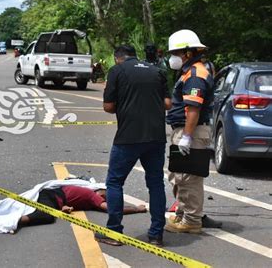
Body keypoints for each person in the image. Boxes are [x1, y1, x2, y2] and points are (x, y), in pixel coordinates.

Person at [97, 45, 172, 247]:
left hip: (128, 137)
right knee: (155, 183)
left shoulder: (117, 71)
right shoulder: (157, 71)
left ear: (117, 58)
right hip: (156, 137)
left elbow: (108, 106)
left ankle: (114, 233)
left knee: (114, 182)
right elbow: (167, 103)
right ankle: (156, 234)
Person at [165, 29, 220, 233]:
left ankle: (192, 220)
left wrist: (187, 137)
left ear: (187, 53)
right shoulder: (189, 72)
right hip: (185, 130)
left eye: (176, 54)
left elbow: (193, 110)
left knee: (189, 178)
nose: (173, 58)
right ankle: (182, 214)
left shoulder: (196, 75)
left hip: (192, 132)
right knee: (179, 176)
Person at [18, 186, 147, 229]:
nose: (105, 200)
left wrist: (63, 207)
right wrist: (137, 209)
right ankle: (15, 221)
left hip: (54, 197)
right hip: (50, 196)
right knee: (46, 215)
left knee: (47, 214)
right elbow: (111, 209)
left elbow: (68, 195)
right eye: (107, 197)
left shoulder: (89, 197)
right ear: (102, 192)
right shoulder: (93, 195)